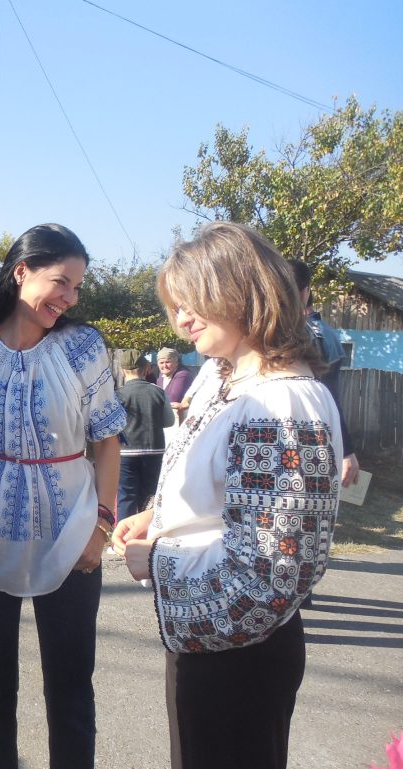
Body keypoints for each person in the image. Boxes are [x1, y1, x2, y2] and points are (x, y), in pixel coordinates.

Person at [113, 222, 342, 769]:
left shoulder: (280, 404)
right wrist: (156, 514)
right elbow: (225, 492)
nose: (181, 319)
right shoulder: (225, 376)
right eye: (175, 306)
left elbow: (271, 575)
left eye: (192, 302)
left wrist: (157, 559)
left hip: (241, 658)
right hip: (211, 645)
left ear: (241, 291)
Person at [0, 223, 125, 769]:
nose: (70, 298)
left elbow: (108, 440)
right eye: (61, 282)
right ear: (22, 272)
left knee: (71, 686)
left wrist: (102, 524)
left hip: (72, 533)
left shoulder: (82, 347)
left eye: (77, 287)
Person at [288, 259, 361, 487]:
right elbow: (332, 398)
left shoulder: (276, 333)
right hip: (314, 442)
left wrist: (347, 451)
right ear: (306, 291)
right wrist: (346, 449)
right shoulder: (327, 335)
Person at [116, 349, 174, 523]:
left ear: (122, 371)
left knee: (126, 496)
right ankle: (147, 532)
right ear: (146, 369)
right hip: (154, 451)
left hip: (125, 452)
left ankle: (124, 534)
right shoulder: (158, 391)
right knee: (150, 496)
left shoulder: (118, 394)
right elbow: (169, 421)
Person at [156, 347, 195, 424]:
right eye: (161, 363)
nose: (164, 366)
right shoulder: (162, 376)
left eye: (168, 362)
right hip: (168, 418)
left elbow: (173, 399)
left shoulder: (183, 375)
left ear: (176, 363)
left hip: (182, 419)